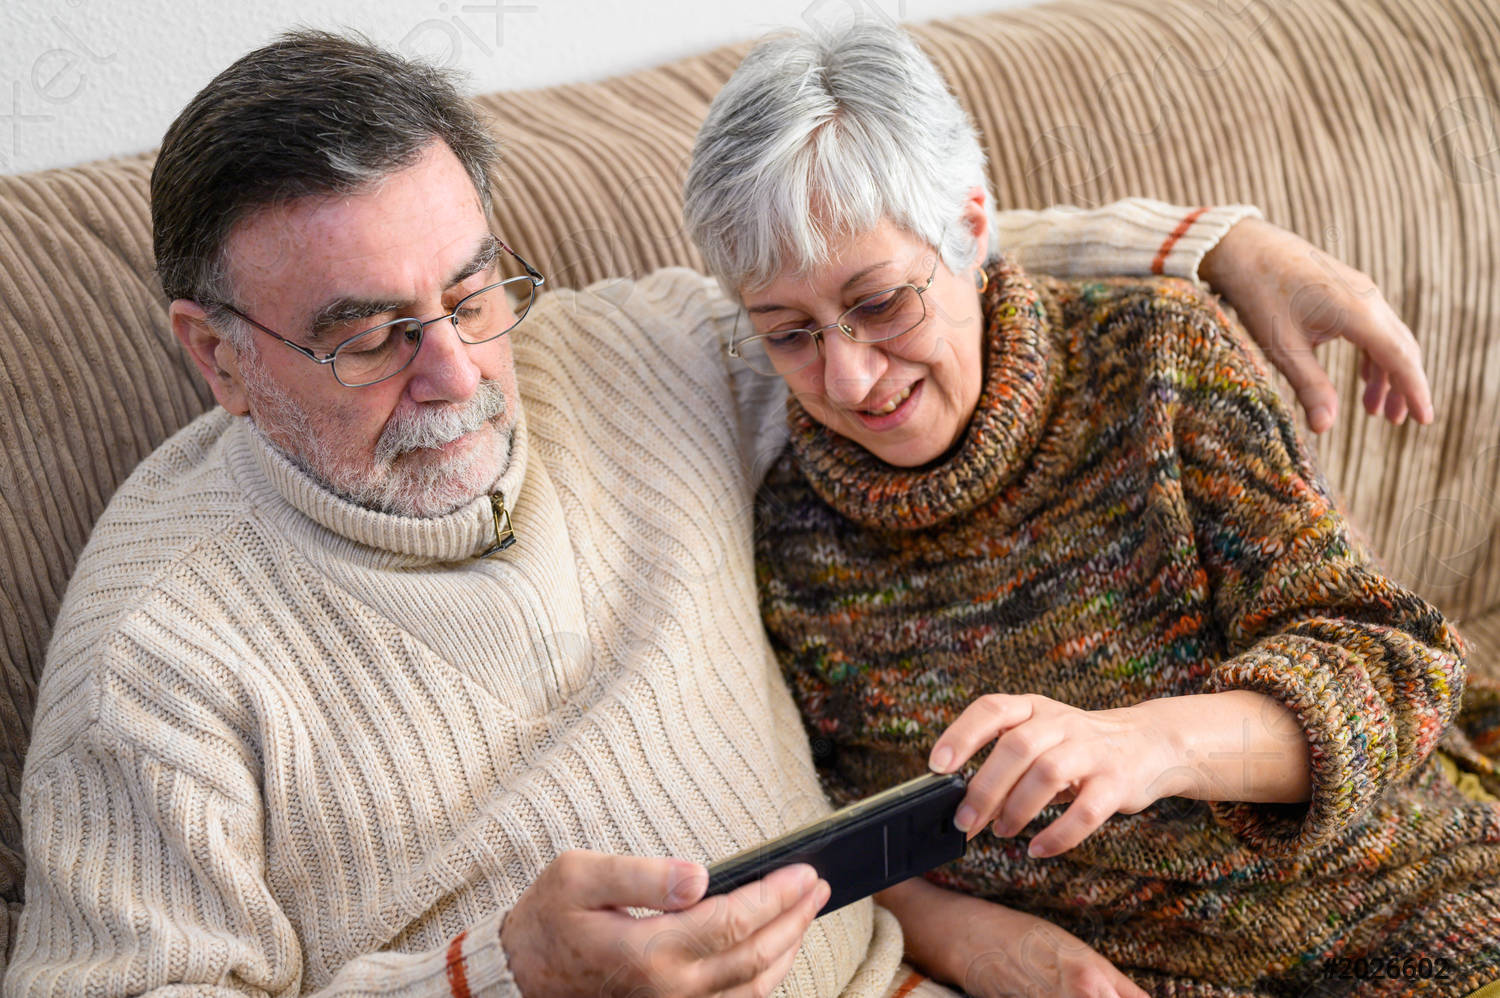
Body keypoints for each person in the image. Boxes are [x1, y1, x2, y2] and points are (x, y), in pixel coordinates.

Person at [4, 28, 1436, 998]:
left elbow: (883, 287)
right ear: (217, 353)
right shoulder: (159, 643)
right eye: (370, 336)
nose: (461, 376)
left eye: (472, 293)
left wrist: (1211, 243)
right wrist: (494, 975)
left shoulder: (617, 356)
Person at [681, 20, 1498, 998]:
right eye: (790, 333)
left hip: (1388, 897)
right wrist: (970, 935)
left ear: (972, 231)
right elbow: (841, 825)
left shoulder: (1153, 365)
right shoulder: (790, 541)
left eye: (884, 303)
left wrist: (1145, 743)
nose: (850, 376)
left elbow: (1391, 668)